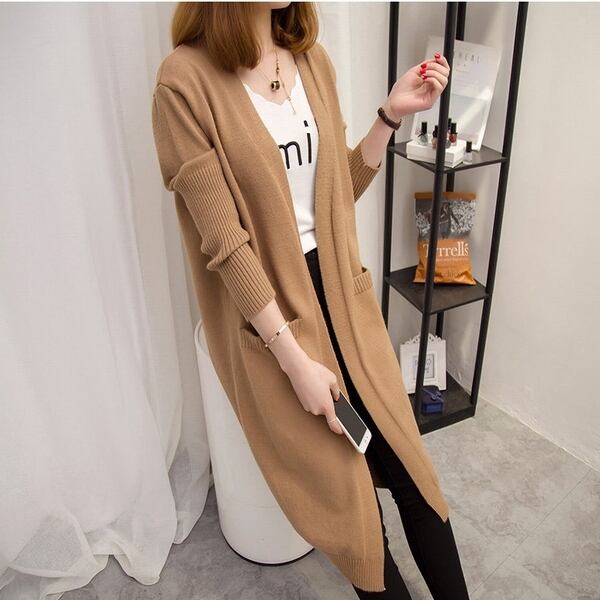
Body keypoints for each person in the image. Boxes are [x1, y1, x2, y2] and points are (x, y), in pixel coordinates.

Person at [152, 2, 469, 597]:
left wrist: (389, 117)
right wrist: (295, 363)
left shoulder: (311, 61)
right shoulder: (183, 82)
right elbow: (225, 245)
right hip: (279, 325)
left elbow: (334, 197)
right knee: (355, 512)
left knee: (412, 472)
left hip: (347, 306)